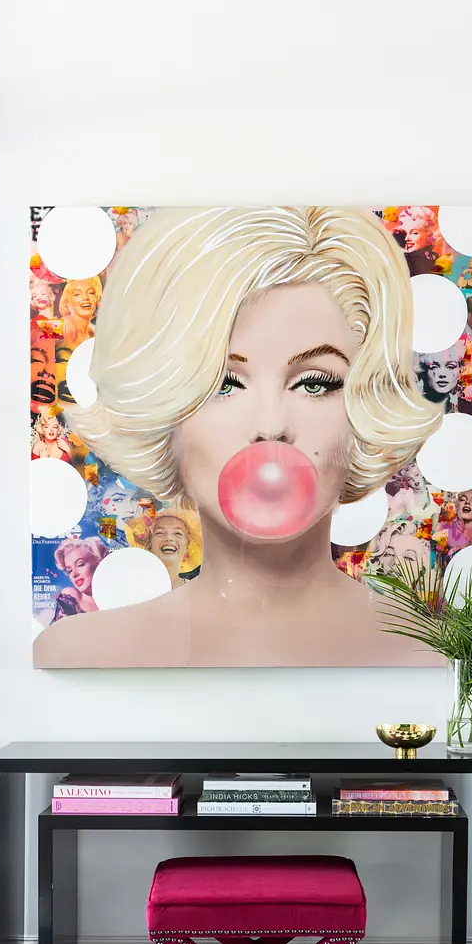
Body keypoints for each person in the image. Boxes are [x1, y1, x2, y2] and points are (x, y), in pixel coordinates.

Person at [34, 206, 444, 667]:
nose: (270, 425)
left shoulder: (436, 658)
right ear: (165, 413)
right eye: (223, 384)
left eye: (314, 383)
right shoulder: (78, 653)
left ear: (363, 408)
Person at [130, 509, 202, 589]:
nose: (168, 538)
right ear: (150, 545)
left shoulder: (197, 591)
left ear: (187, 545)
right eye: (160, 533)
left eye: (177, 533)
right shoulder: (135, 589)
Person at [50, 538, 108, 621]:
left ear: (99, 562)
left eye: (80, 564)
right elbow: (59, 632)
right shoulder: (71, 596)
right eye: (69, 571)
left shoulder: (114, 597)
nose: (74, 574)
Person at [59, 276, 103, 349]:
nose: (85, 297)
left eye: (90, 293)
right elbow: (38, 336)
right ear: (67, 302)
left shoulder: (92, 332)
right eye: (77, 294)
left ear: (96, 298)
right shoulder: (64, 325)